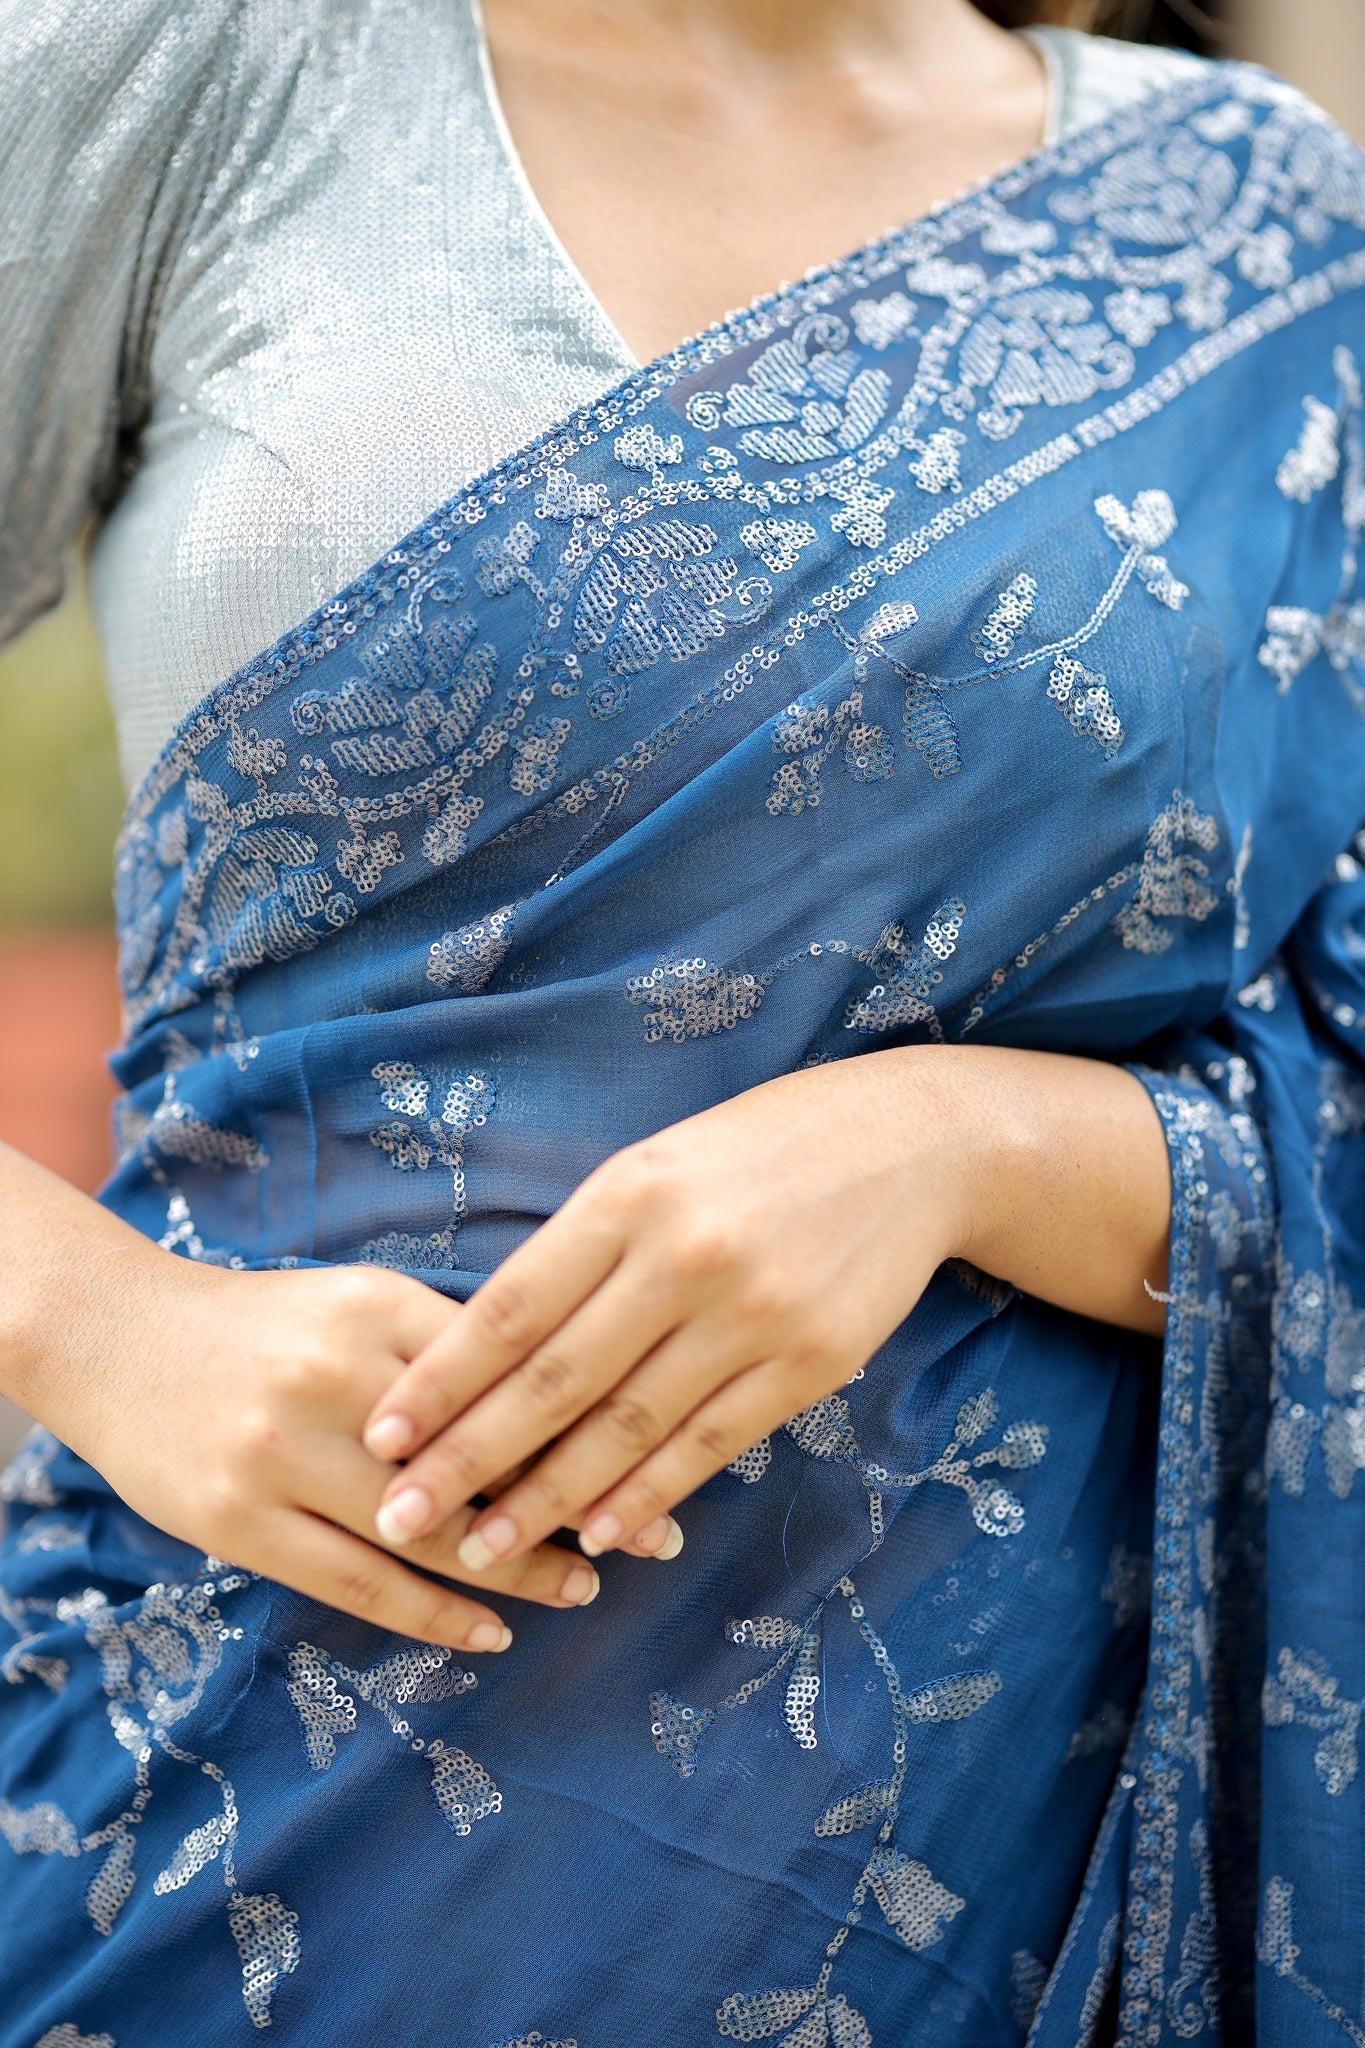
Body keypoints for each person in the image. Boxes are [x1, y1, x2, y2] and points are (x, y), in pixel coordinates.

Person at [0, 1, 1362, 2041]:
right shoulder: (199, 68)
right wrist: (90, 1323)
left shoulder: (1248, 233)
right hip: (219, 1782)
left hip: (962, 1862)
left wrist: (957, 1149)